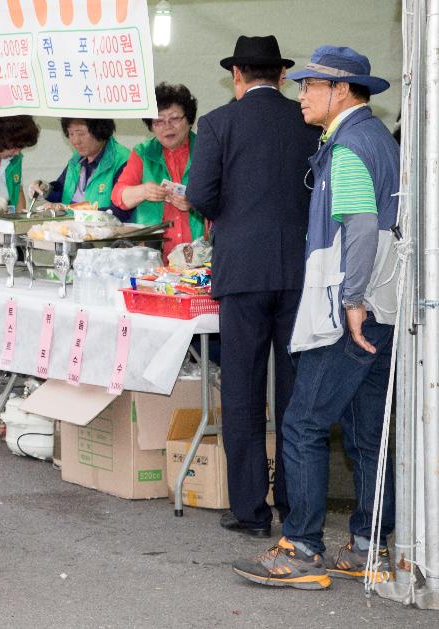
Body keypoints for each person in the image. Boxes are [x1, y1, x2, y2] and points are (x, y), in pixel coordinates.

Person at [233, 46, 400, 590]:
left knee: (303, 425)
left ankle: (303, 549)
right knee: (365, 432)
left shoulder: (349, 145)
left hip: (351, 308)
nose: (300, 92)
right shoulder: (375, 139)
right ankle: (369, 546)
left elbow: (360, 226)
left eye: (310, 85)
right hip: (382, 305)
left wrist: (351, 302)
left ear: (343, 91)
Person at [188, 36, 317, 539]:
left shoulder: (218, 123)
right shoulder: (307, 121)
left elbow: (200, 195)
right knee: (294, 393)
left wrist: (233, 218)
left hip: (242, 271)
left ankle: (250, 511)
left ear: (237, 75)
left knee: (241, 391)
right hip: (300, 271)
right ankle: (293, 502)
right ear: (282, 75)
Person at [111, 83, 203, 259]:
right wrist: (143, 191)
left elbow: (225, 198)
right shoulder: (142, 152)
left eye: (174, 118)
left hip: (200, 253)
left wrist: (196, 203)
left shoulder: (206, 149)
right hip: (152, 255)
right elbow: (119, 197)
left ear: (189, 120)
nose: (167, 126)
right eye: (158, 121)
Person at [39, 118, 131, 218]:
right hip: (75, 228)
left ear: (99, 131)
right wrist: (45, 189)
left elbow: (121, 211)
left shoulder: (123, 161)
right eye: (71, 134)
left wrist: (70, 209)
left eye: (81, 134)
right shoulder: (77, 159)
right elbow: (63, 191)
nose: (75, 141)